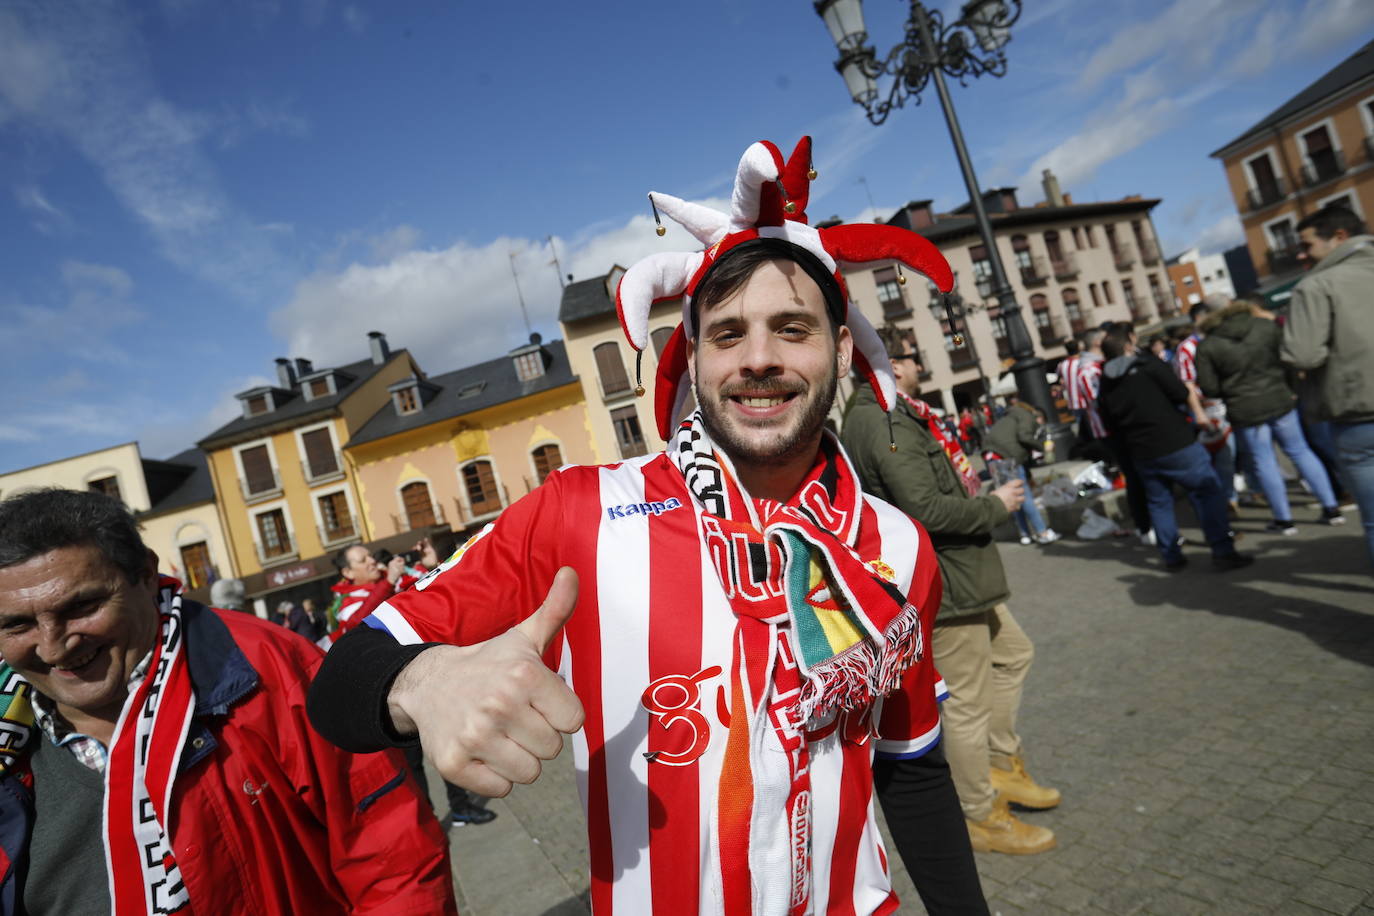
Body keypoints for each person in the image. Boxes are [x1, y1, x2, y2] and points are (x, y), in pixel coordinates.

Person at [309, 138, 989, 914]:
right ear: (693, 357)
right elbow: (340, 676)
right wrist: (421, 683)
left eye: (792, 328)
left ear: (839, 347)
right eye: (728, 334)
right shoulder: (580, 512)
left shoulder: (897, 544)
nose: (757, 359)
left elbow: (913, 764)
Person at [0, 488, 456, 915]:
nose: (54, 647)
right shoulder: (11, 743)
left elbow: (395, 860)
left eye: (81, 607)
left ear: (143, 572)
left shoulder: (270, 671)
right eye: (18, 625)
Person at [842, 329, 1060, 857]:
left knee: (1014, 654)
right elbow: (926, 509)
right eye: (913, 356)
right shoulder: (884, 420)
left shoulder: (894, 413)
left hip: (964, 576)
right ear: (891, 360)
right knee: (964, 703)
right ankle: (981, 813)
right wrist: (995, 507)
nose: (919, 364)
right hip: (947, 579)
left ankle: (1000, 764)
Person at [1096, 330, 1253, 572]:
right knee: (1205, 492)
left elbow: (1108, 423)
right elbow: (1180, 392)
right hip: (1175, 441)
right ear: (1128, 346)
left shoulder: (1105, 383)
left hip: (1141, 450)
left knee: (1159, 503)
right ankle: (1222, 549)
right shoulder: (1149, 366)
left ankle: (1171, 556)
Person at [1196, 299, 1343, 534]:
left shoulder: (1209, 345)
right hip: (1280, 398)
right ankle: (1331, 507)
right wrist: (1291, 388)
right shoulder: (1264, 327)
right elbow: (1289, 359)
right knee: (1300, 450)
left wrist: (1231, 390)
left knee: (1263, 460)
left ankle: (1284, 520)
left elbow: (1209, 387)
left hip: (1244, 407)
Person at [1282, 203, 1374, 565]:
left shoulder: (1316, 285)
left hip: (1360, 415)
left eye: (1307, 245)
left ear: (1339, 237)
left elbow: (1301, 354)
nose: (1303, 254)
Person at [326, 539, 437, 641]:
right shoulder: (348, 603)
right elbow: (357, 623)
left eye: (370, 556)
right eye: (363, 560)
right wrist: (388, 583)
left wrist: (430, 566)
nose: (372, 560)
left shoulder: (395, 578)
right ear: (348, 573)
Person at [982, 401, 1060, 545]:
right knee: (1024, 496)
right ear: (1039, 417)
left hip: (991, 457)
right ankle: (1042, 532)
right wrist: (1043, 447)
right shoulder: (1026, 416)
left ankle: (1024, 534)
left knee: (1014, 497)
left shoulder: (1009, 416)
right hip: (1008, 456)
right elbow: (1024, 436)